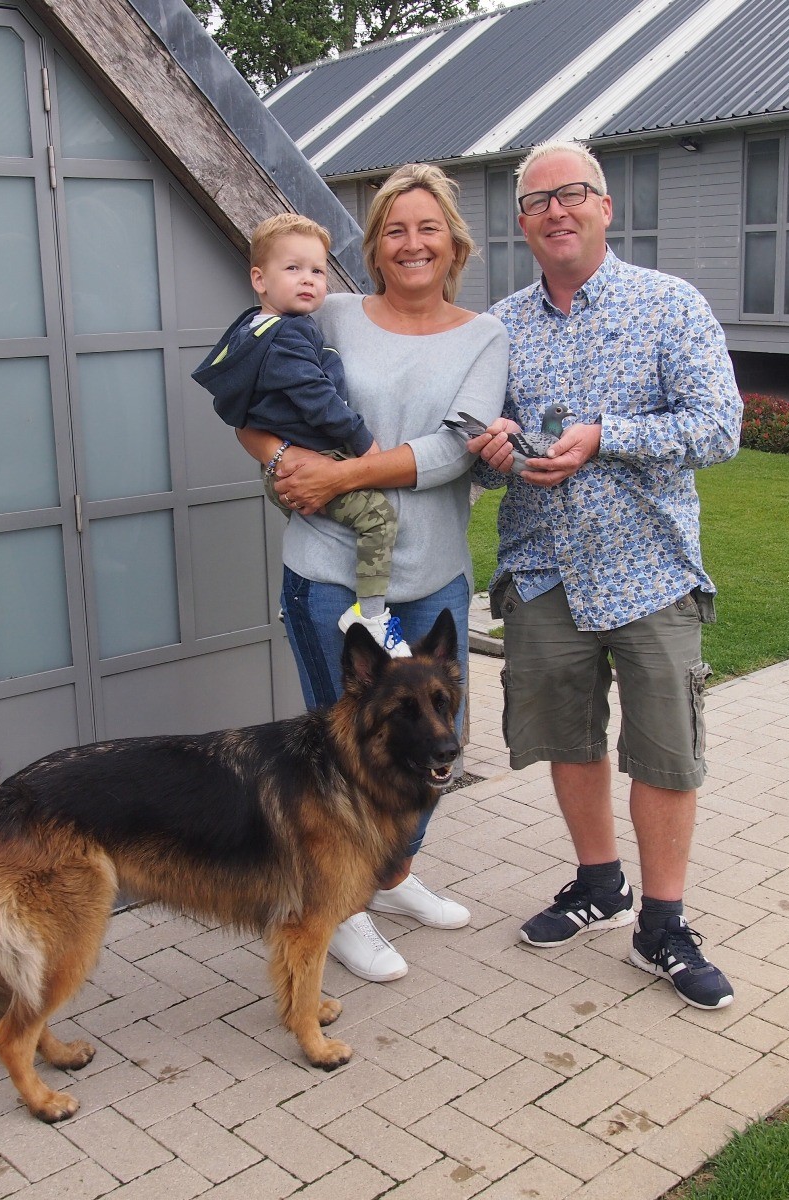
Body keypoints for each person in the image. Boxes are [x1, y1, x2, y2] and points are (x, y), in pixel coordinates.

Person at [468, 141, 743, 1010]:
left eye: (573, 193)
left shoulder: (669, 305)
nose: (556, 210)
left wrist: (606, 435)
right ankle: (599, 884)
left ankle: (662, 924)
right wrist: (496, 451)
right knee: (569, 738)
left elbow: (720, 426)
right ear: (521, 222)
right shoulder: (498, 328)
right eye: (537, 200)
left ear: (605, 207)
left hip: (650, 571)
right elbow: (478, 451)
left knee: (665, 749)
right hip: (543, 571)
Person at [235, 164, 508, 982]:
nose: (412, 243)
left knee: (435, 743)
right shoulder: (329, 313)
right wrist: (283, 464)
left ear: (454, 244)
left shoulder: (484, 336)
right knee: (343, 761)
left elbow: (454, 449)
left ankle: (387, 877)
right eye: (394, 229)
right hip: (331, 574)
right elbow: (249, 404)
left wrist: (341, 474)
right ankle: (340, 906)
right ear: (375, 247)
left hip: (432, 581)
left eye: (428, 228)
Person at [193, 213, 410, 655]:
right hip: (314, 460)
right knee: (379, 518)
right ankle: (370, 615)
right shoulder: (288, 335)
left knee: (324, 529)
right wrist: (364, 443)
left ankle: (294, 602)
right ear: (259, 278)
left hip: (281, 470)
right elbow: (318, 399)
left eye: (317, 270)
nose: (308, 279)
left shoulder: (253, 329)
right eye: (293, 268)